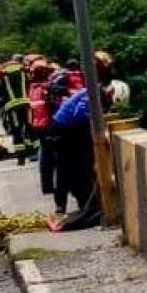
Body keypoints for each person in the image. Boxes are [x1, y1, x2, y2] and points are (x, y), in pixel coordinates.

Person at [50, 51, 117, 231]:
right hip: (67, 128)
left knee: (75, 165)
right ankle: (78, 202)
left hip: (69, 126)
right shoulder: (95, 93)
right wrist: (97, 125)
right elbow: (80, 114)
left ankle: (74, 202)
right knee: (74, 165)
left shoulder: (96, 87)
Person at [0, 55, 30, 154]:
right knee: (29, 126)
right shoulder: (23, 70)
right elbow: (29, 83)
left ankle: (20, 154)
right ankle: (32, 149)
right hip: (26, 104)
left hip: (12, 106)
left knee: (16, 129)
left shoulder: (2, 72)